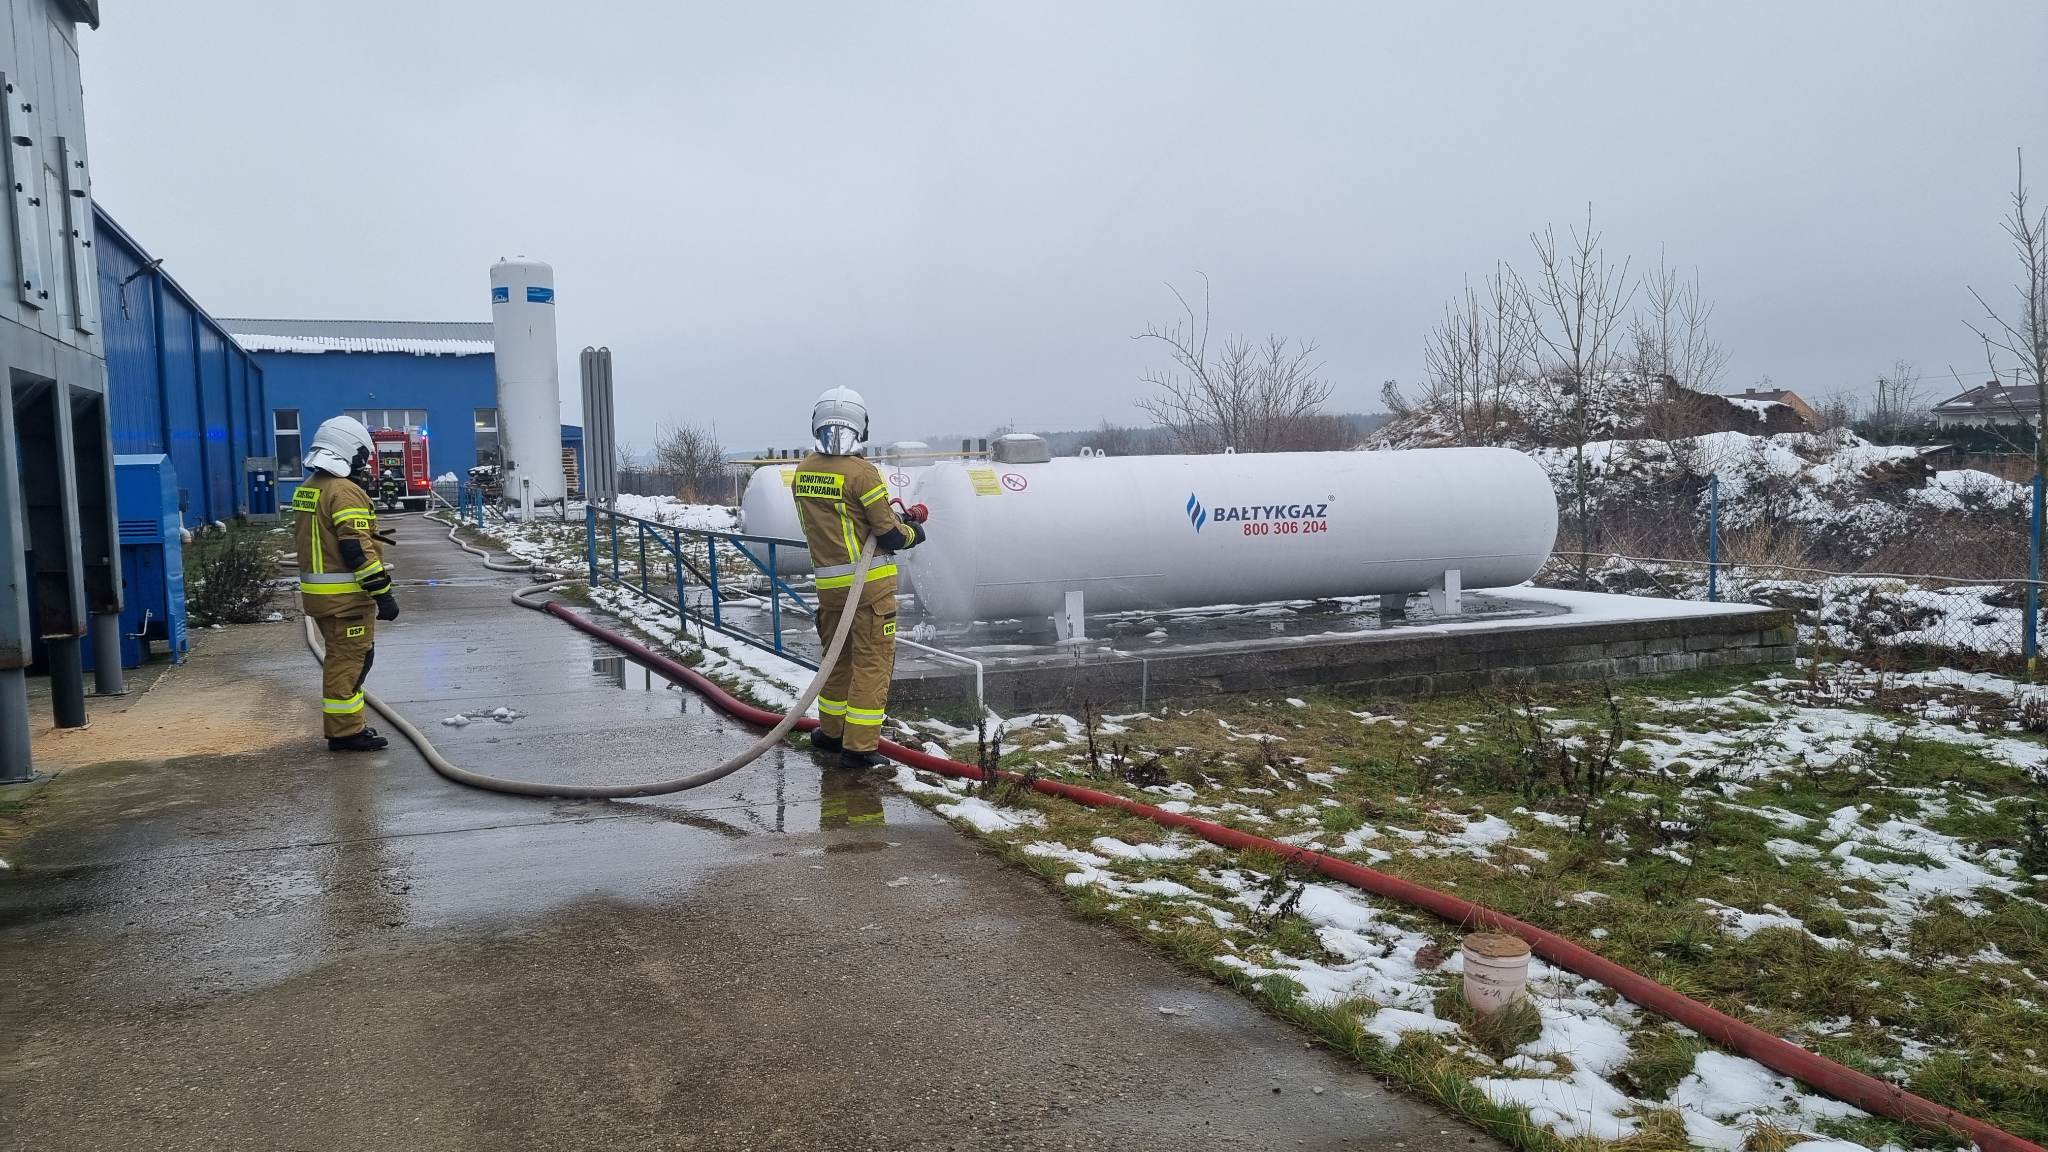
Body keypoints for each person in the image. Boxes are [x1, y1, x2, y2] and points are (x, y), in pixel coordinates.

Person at [793, 387, 927, 770]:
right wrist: (914, 532)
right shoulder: (862, 473)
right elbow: (887, 534)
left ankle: (831, 733)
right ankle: (860, 747)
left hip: (830, 591)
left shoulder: (803, 472)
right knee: (872, 665)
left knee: (836, 663)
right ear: (860, 426)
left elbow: (846, 522)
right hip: (868, 591)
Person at [292, 415, 400, 752]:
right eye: (361, 457)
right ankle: (345, 732)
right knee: (350, 662)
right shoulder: (344, 492)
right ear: (347, 451)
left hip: (321, 598)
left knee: (344, 659)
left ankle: (348, 727)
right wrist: (383, 593)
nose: (363, 465)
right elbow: (355, 549)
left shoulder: (310, 488)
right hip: (346, 600)